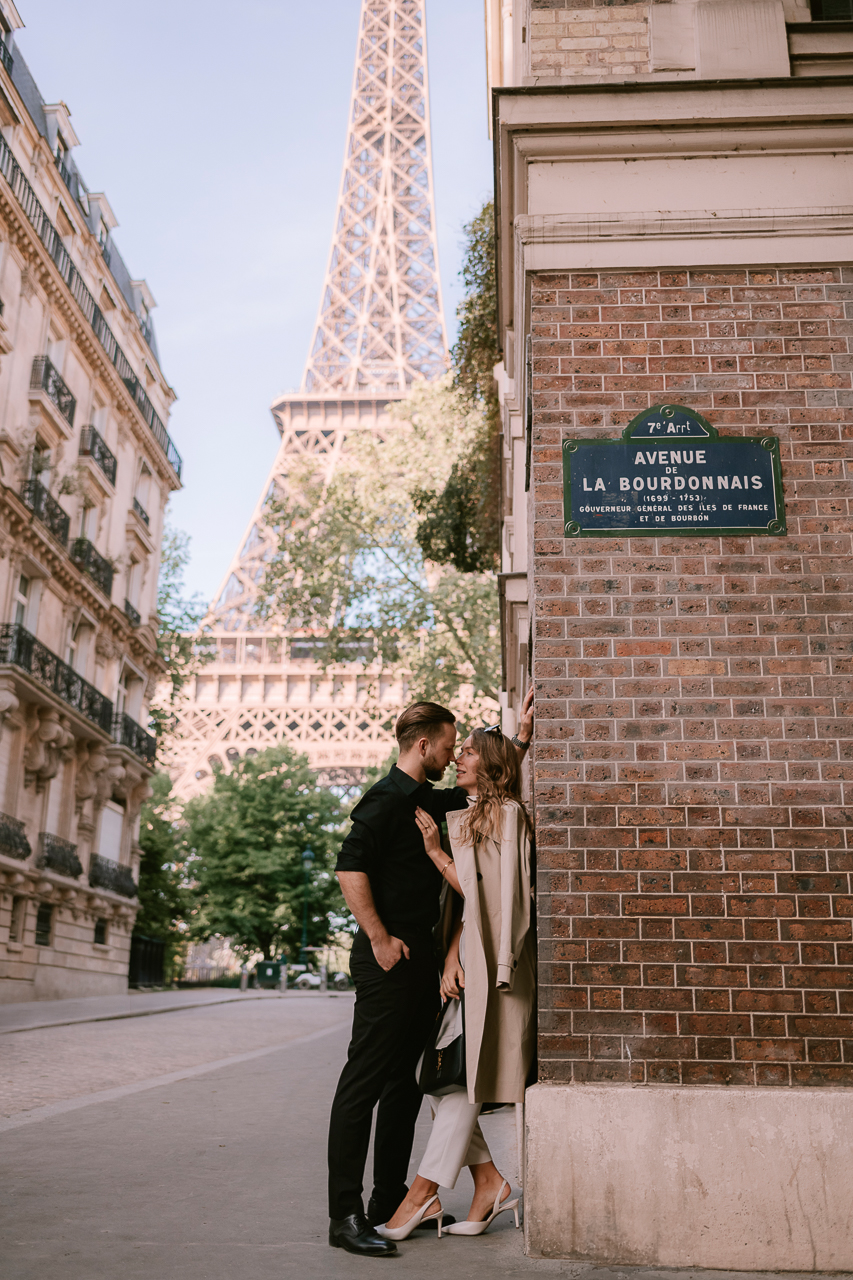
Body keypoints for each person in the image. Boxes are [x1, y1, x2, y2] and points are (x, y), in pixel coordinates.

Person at [327, 694, 533, 1258]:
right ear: (425, 744)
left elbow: (487, 783)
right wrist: (378, 937)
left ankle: (386, 1203)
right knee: (362, 1085)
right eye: (449, 744)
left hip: (424, 967)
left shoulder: (431, 800)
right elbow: (349, 869)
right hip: (388, 962)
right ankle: (343, 1215)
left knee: (403, 1089)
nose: (453, 751)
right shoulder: (385, 800)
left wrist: (516, 740)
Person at [375, 725, 536, 1242]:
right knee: (445, 1075)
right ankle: (488, 1182)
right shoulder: (472, 816)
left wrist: (435, 853)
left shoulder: (506, 816)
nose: (459, 758)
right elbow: (469, 908)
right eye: (458, 749)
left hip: (497, 969)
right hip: (468, 964)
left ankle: (421, 1194)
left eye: (468, 752)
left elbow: (496, 901)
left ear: (488, 766)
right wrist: (450, 957)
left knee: (462, 1079)